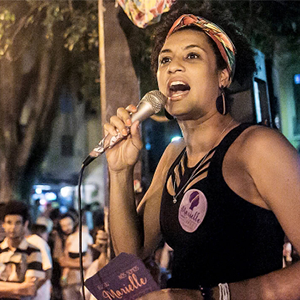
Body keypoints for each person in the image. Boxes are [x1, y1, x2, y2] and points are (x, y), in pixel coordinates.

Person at [104, 1, 300, 299]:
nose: (174, 67)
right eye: (165, 60)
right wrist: (119, 171)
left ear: (223, 75)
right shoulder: (172, 157)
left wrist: (214, 295)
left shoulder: (257, 147)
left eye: (192, 55)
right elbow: (132, 253)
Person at [0, 200, 45, 299]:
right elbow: (24, 288)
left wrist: (3, 288)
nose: (13, 227)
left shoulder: (33, 251)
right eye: (9, 222)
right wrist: (20, 287)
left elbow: (30, 289)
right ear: (3, 224)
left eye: (17, 223)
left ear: (25, 224)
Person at [52, 212, 92, 300]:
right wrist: (79, 261)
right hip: (68, 281)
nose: (67, 228)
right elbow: (62, 261)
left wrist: (69, 262)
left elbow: (88, 263)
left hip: (84, 280)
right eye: (63, 226)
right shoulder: (60, 239)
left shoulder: (83, 237)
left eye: (69, 224)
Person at [26, 223, 53, 300]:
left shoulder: (33, 242)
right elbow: (48, 271)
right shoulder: (40, 242)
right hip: (35, 291)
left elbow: (47, 271)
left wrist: (31, 289)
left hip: (34, 292)